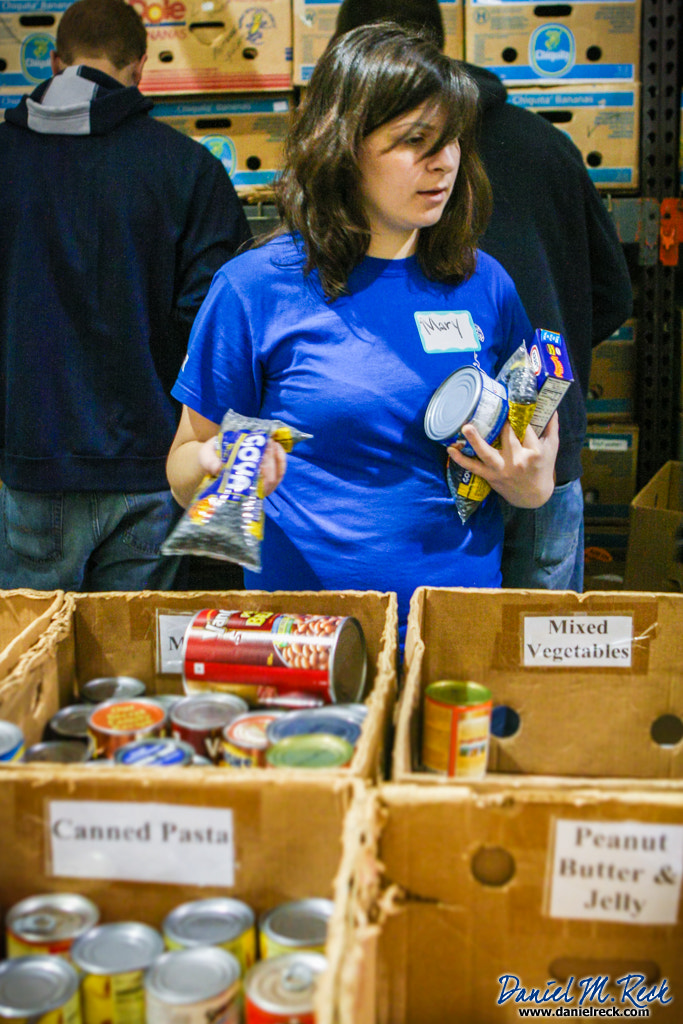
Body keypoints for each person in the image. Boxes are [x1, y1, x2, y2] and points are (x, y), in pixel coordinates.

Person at [166, 22, 559, 635]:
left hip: (452, 631)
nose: (444, 162)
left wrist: (529, 481)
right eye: (415, 140)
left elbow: (535, 477)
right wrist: (217, 461)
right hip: (304, 641)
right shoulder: (255, 288)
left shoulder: (485, 283)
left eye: (452, 139)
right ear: (343, 148)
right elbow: (183, 468)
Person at [333, 0, 634, 593]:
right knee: (524, 659)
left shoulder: (479, 265)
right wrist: (544, 370)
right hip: (531, 441)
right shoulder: (545, 144)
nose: (441, 165)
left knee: (500, 656)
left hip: (506, 460)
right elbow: (612, 293)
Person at [0, 0, 251, 593]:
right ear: (140, 67)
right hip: (149, 468)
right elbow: (216, 329)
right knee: (134, 671)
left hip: (28, 464)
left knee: (28, 666)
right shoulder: (188, 168)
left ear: (57, 61)